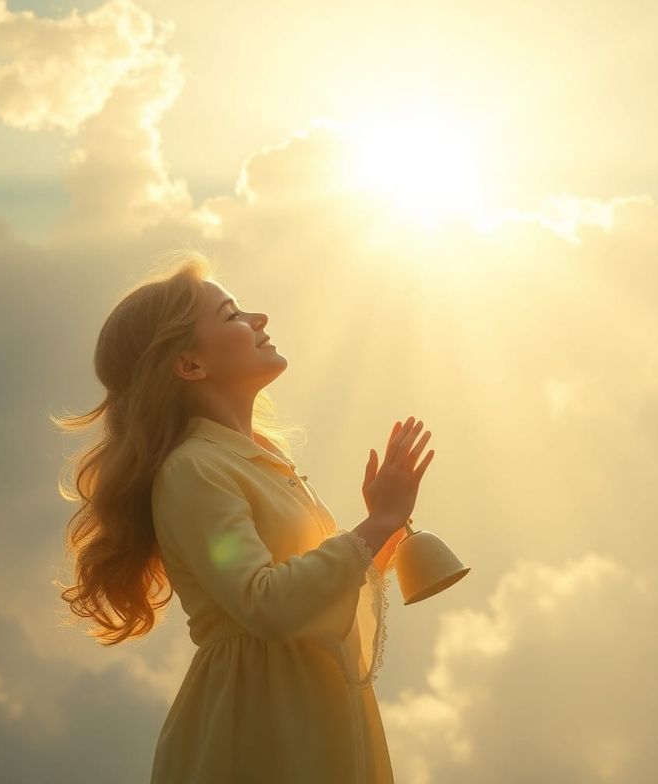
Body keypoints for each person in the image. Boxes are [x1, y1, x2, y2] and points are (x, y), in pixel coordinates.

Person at [58, 254, 434, 783]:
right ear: (189, 365)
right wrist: (372, 528)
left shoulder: (253, 460)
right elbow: (265, 602)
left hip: (312, 711)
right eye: (233, 315)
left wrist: (383, 531)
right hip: (261, 725)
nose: (259, 320)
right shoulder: (192, 469)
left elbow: (305, 588)